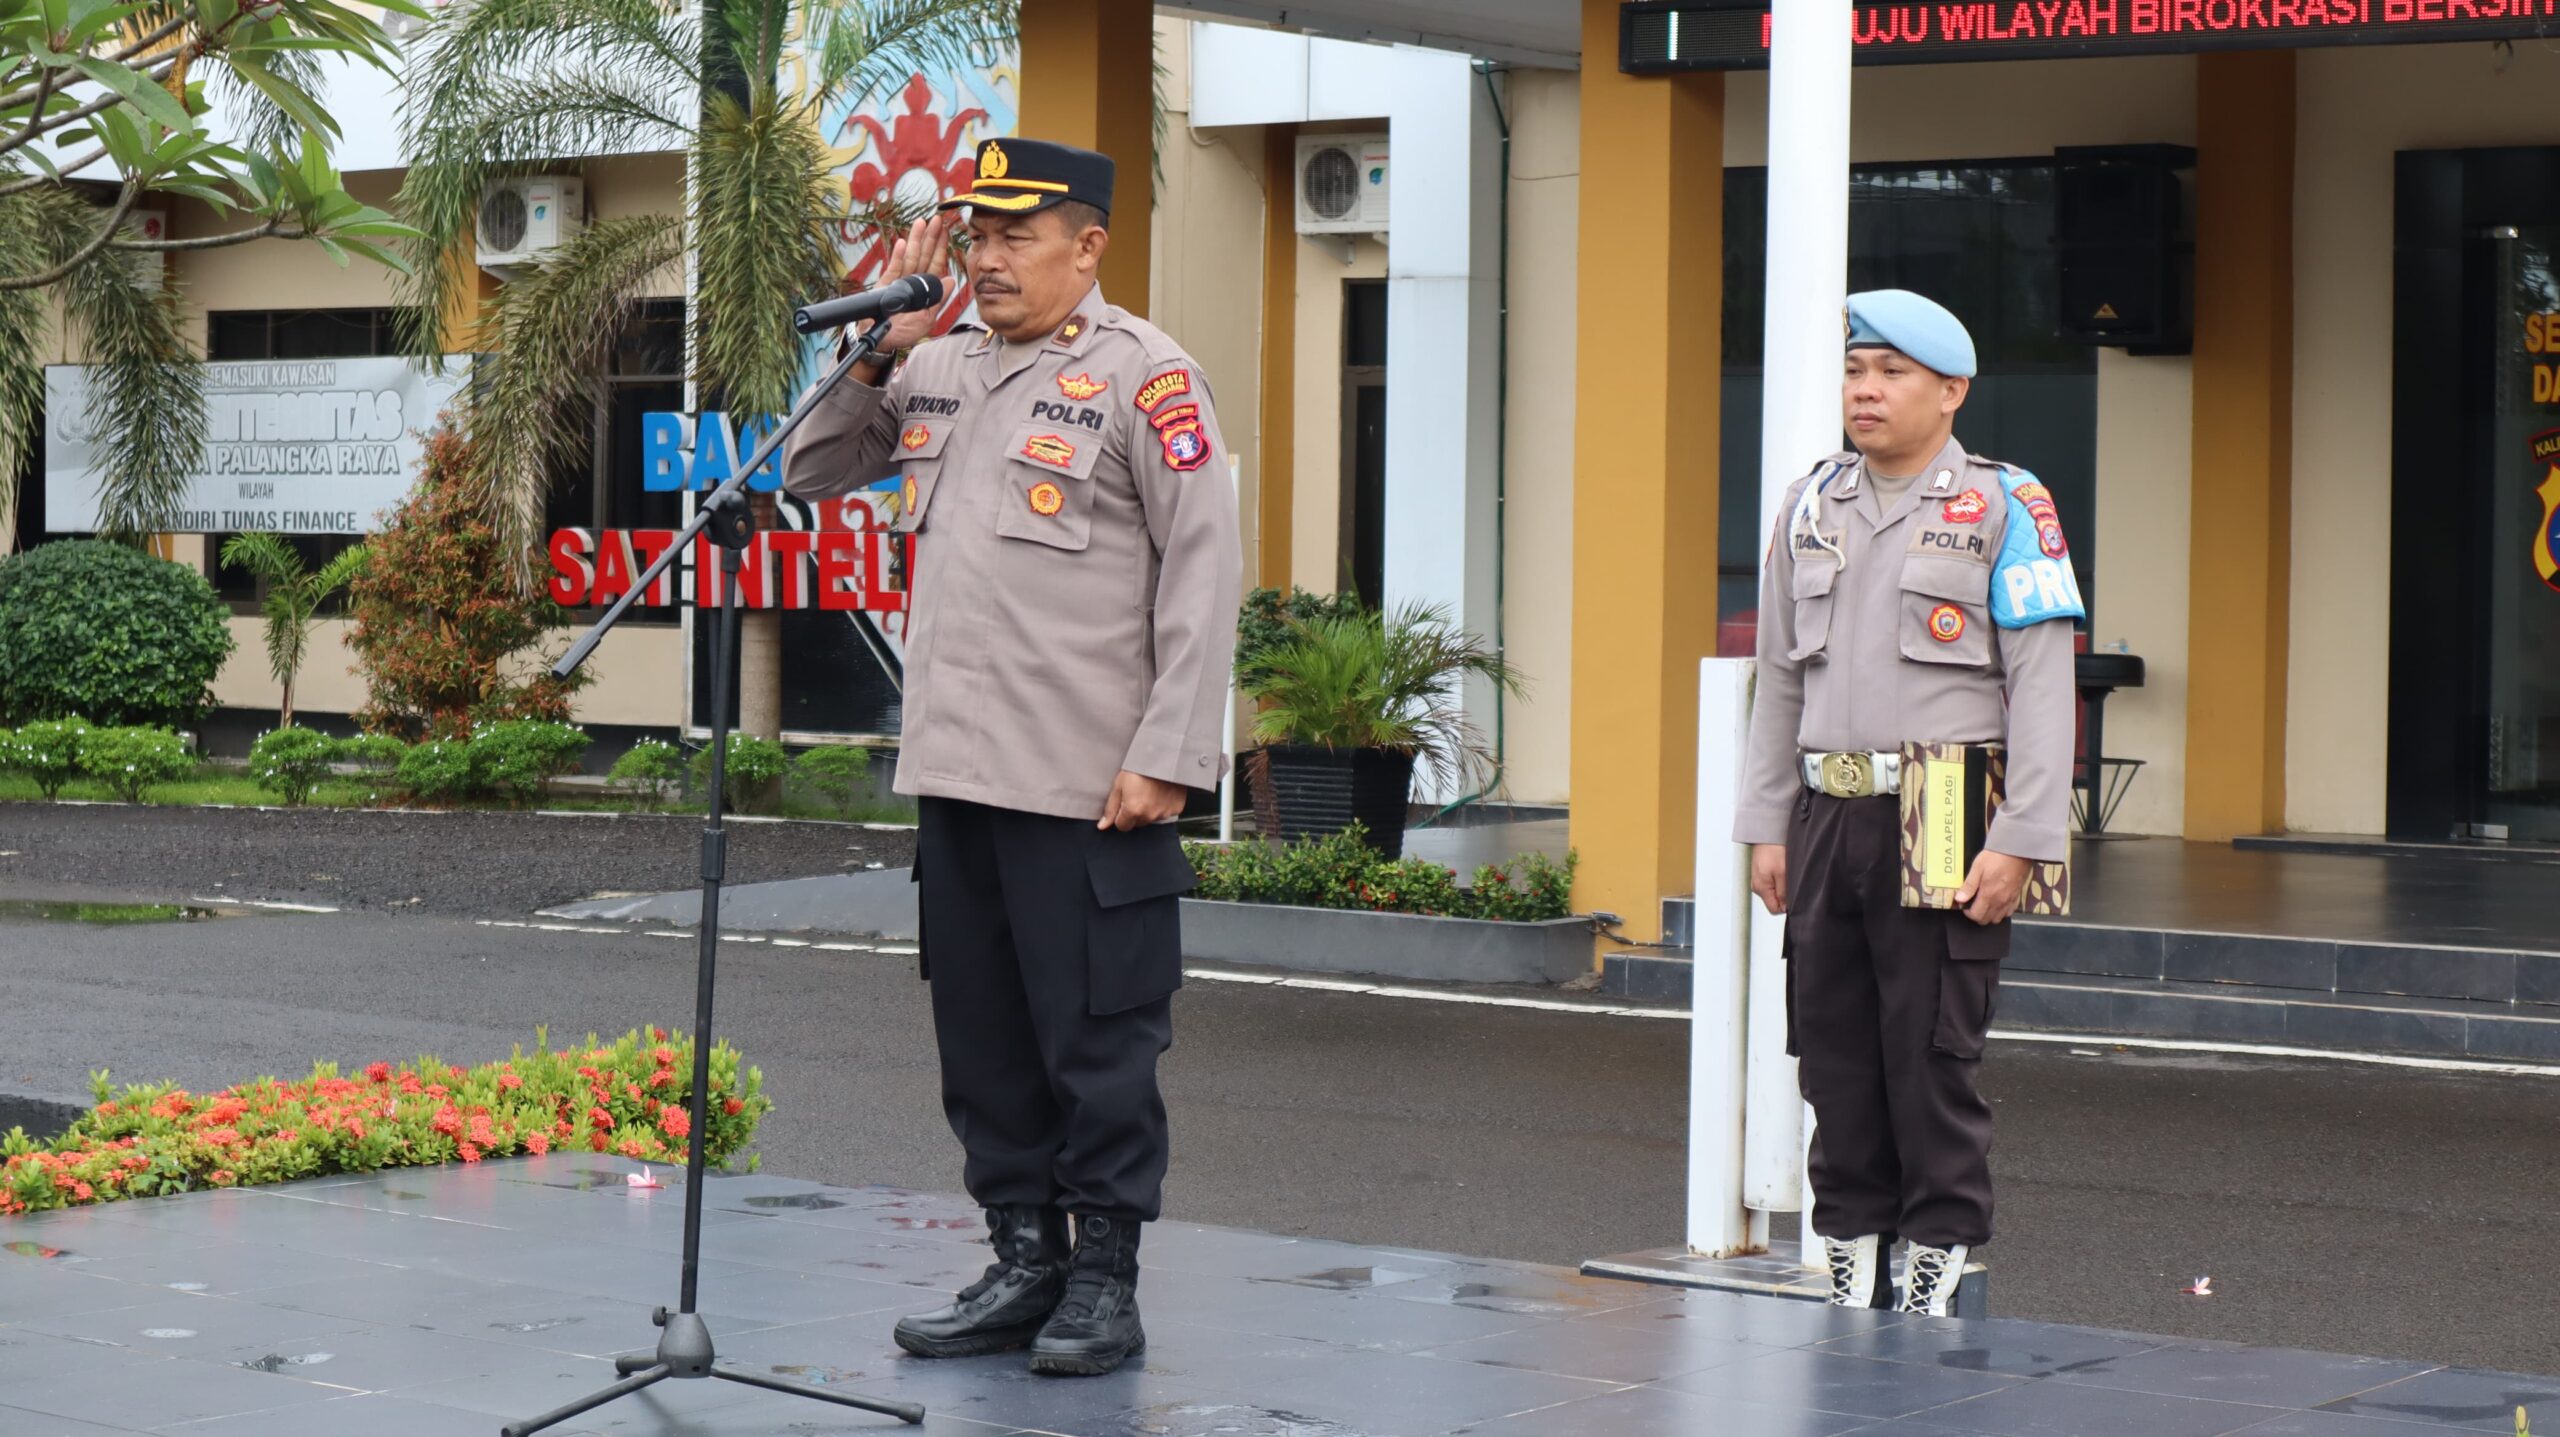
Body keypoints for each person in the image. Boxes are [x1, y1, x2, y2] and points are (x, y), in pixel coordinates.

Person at [782, 137, 1242, 1376]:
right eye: (974, 237)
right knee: (983, 1039)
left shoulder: (1148, 379)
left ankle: (1104, 1279)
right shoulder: (933, 366)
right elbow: (811, 469)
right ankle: (1023, 1257)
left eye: (1012, 238)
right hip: (957, 772)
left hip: (1089, 785)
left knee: (1098, 1042)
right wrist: (878, 340)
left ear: (1086, 247)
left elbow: (1204, 576)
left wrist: (1171, 757)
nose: (984, 260)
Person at [1733, 290, 2082, 1317]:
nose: (1865, 391)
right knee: (1832, 1053)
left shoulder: (2007, 507)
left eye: (1889, 373)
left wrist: (2022, 838)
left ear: (1951, 390)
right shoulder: (1810, 504)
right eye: (1854, 372)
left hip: (1946, 806)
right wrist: (1763, 824)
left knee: (1929, 1057)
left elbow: (2043, 687)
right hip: (1825, 811)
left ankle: (1936, 1269)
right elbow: (1776, 678)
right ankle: (1849, 1260)